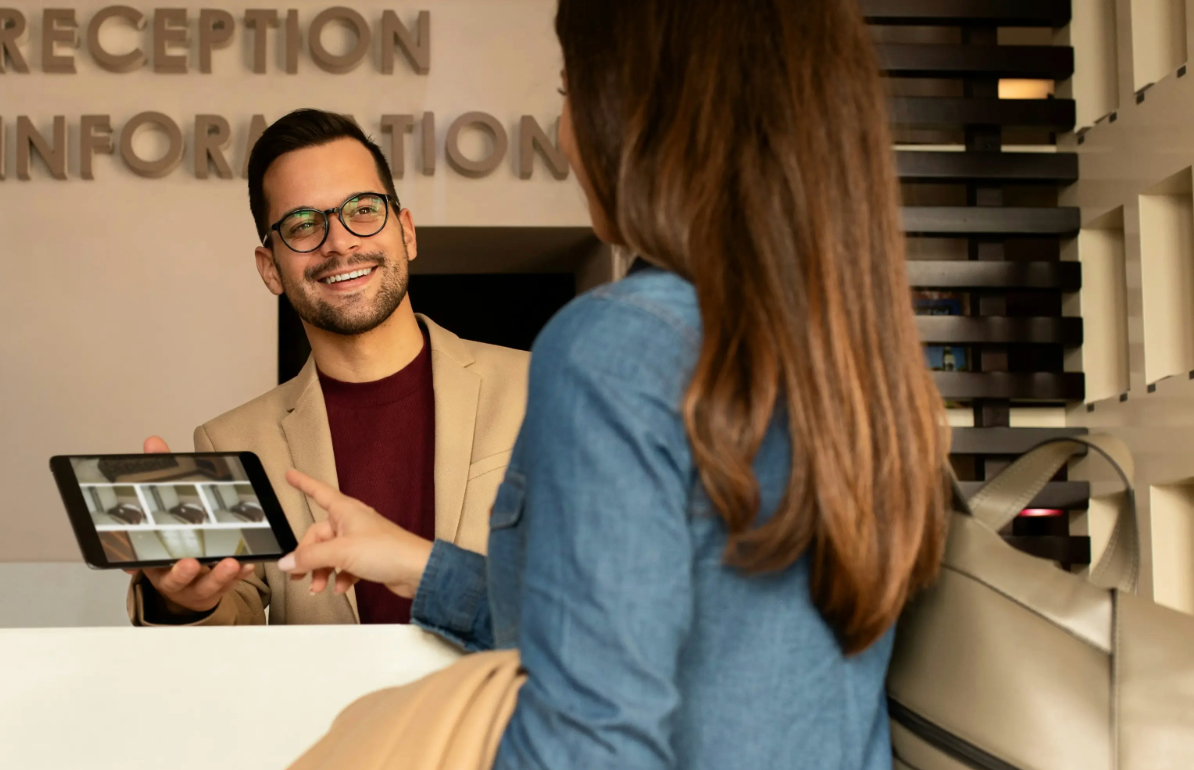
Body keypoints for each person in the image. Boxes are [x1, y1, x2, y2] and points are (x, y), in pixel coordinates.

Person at [276, 0, 950, 767]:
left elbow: (590, 743)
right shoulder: (855, 353)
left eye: (571, 93)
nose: (566, 131)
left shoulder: (617, 347)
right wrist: (416, 563)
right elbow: (701, 630)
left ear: (641, 112)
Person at [127, 109, 531, 627]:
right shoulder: (234, 441)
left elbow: (602, 595)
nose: (339, 242)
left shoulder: (539, 388)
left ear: (406, 232)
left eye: (362, 210)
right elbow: (234, 619)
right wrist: (186, 601)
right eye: (302, 224)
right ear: (270, 268)